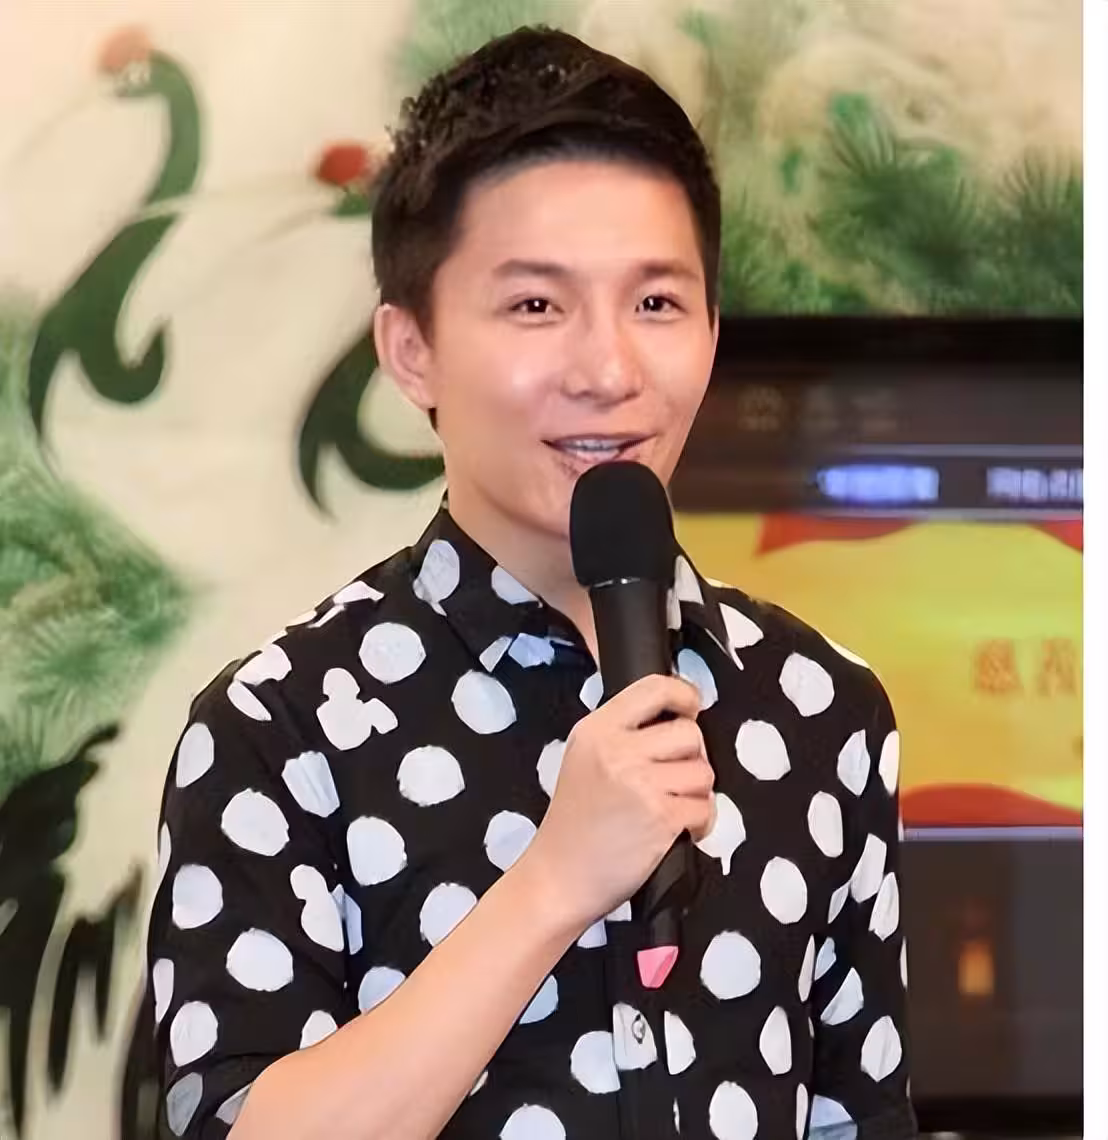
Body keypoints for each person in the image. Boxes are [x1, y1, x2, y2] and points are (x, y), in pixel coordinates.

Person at [146, 26, 915, 1140]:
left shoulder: (821, 709)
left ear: (711, 331)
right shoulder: (280, 730)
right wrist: (557, 881)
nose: (608, 370)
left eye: (656, 304)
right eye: (536, 307)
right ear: (411, 350)